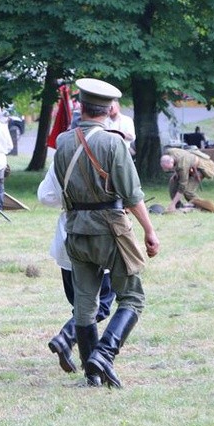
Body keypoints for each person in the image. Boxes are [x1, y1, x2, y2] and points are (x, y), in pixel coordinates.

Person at [53, 77, 160, 388]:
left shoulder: (62, 142)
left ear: (82, 106)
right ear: (110, 108)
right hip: (110, 229)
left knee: (85, 304)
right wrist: (150, 231)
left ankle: (91, 373)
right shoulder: (114, 142)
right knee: (133, 297)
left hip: (75, 229)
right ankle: (104, 355)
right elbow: (131, 194)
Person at [38, 162, 115, 374]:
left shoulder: (61, 158)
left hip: (68, 234)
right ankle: (68, 338)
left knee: (80, 305)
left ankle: (89, 361)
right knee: (100, 303)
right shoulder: (106, 154)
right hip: (98, 233)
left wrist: (68, 200)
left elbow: (45, 196)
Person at [160, 147, 214, 212]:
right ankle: (178, 206)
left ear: (172, 162)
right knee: (172, 182)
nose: (169, 170)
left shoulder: (182, 166)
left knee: (188, 191)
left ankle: (205, 207)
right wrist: (176, 173)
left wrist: (172, 204)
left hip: (200, 168)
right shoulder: (168, 152)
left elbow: (182, 186)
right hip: (189, 166)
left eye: (170, 169)